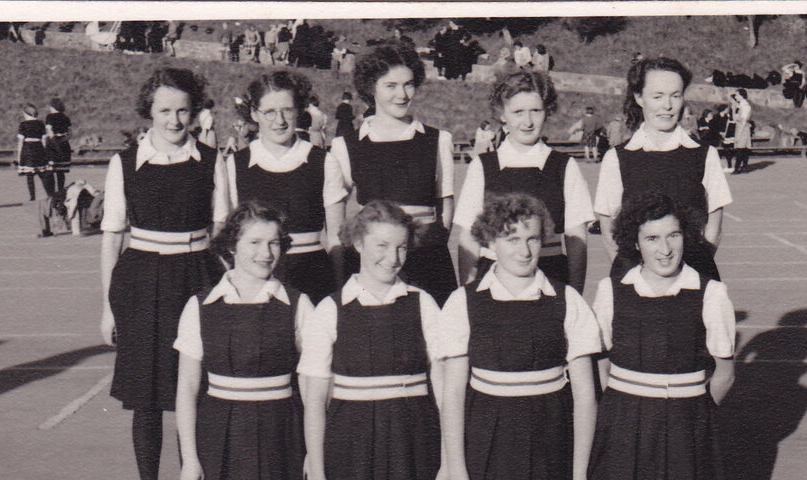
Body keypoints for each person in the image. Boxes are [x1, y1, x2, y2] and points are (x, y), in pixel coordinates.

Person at [440, 192, 600, 480]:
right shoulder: (464, 302)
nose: (525, 250)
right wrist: (458, 476)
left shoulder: (567, 300)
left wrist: (579, 475)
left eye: (532, 238)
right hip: (489, 436)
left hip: (548, 435)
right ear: (490, 243)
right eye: (512, 239)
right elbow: (453, 395)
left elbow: (585, 396)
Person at [99, 68, 228, 480]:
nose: (174, 120)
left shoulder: (211, 160)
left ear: (195, 112)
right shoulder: (125, 162)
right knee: (147, 398)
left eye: (183, 110)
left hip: (198, 278)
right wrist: (108, 307)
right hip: (142, 283)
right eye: (165, 111)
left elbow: (224, 231)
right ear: (148, 112)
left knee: (201, 391)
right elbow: (112, 238)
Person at [586, 190, 735, 480]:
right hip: (628, 427)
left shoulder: (711, 293)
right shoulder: (611, 291)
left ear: (687, 235)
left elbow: (724, 373)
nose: (665, 249)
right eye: (652, 238)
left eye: (673, 236)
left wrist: (695, 416)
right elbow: (600, 361)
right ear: (635, 242)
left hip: (685, 427)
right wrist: (619, 411)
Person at [175, 203, 327, 480]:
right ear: (231, 246)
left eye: (274, 243)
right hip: (221, 433)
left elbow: (313, 388)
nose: (266, 253)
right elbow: (187, 388)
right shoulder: (200, 306)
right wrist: (190, 459)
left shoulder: (298, 304)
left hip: (280, 431)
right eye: (255, 242)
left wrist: (314, 456)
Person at [298, 201, 445, 480]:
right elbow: (314, 402)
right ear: (359, 244)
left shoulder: (423, 304)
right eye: (382, 246)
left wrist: (447, 464)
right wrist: (318, 473)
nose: (392, 258)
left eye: (401, 247)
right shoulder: (330, 309)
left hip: (411, 442)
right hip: (352, 445)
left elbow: (444, 391)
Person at [329, 42, 458, 305]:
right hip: (373, 264)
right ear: (371, 87)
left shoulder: (438, 139)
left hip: (427, 262)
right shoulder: (346, 145)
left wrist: (431, 247)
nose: (402, 94)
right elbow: (336, 219)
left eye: (408, 84)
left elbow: (445, 204)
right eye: (391, 86)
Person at [454, 71, 594, 293]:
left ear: (547, 111)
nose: (527, 122)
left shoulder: (564, 166)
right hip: (493, 280)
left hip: (550, 278)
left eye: (535, 111)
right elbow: (468, 238)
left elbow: (576, 239)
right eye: (518, 112)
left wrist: (574, 296)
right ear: (502, 114)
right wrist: (468, 296)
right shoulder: (482, 166)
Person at [594, 57, 732, 283]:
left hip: (694, 280)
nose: (667, 106)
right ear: (639, 97)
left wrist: (689, 275)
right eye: (657, 96)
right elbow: (609, 231)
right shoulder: (616, 158)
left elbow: (714, 229)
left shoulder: (705, 155)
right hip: (635, 283)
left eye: (675, 96)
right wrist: (638, 280)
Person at [227, 71, 346, 302]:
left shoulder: (324, 161)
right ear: (254, 114)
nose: (279, 120)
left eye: (287, 110)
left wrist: (340, 291)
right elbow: (231, 235)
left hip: (312, 276)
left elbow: (336, 239)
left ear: (299, 110)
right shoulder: (236, 163)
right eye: (269, 112)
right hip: (255, 278)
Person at [17, 103, 56, 235]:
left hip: (28, 149)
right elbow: (44, 140)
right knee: (42, 173)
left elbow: (20, 142)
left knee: (29, 175)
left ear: (25, 114)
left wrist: (19, 157)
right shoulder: (40, 124)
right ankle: (49, 193)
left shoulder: (23, 125)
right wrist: (45, 153)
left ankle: (32, 195)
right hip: (39, 149)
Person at [44, 98, 72, 194]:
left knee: (51, 170)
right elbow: (70, 134)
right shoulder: (66, 118)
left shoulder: (49, 117)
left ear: (52, 107)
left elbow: (50, 132)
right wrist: (63, 140)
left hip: (53, 144)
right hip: (64, 143)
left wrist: (53, 142)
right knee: (61, 171)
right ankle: (60, 191)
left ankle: (51, 193)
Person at [731, 89, 752, 174]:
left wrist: (739, 134)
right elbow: (735, 119)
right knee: (742, 148)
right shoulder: (740, 106)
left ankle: (737, 168)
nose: (736, 97)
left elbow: (744, 121)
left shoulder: (746, 106)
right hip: (740, 128)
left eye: (737, 95)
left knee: (741, 148)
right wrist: (733, 109)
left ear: (741, 95)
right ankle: (744, 166)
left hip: (743, 129)